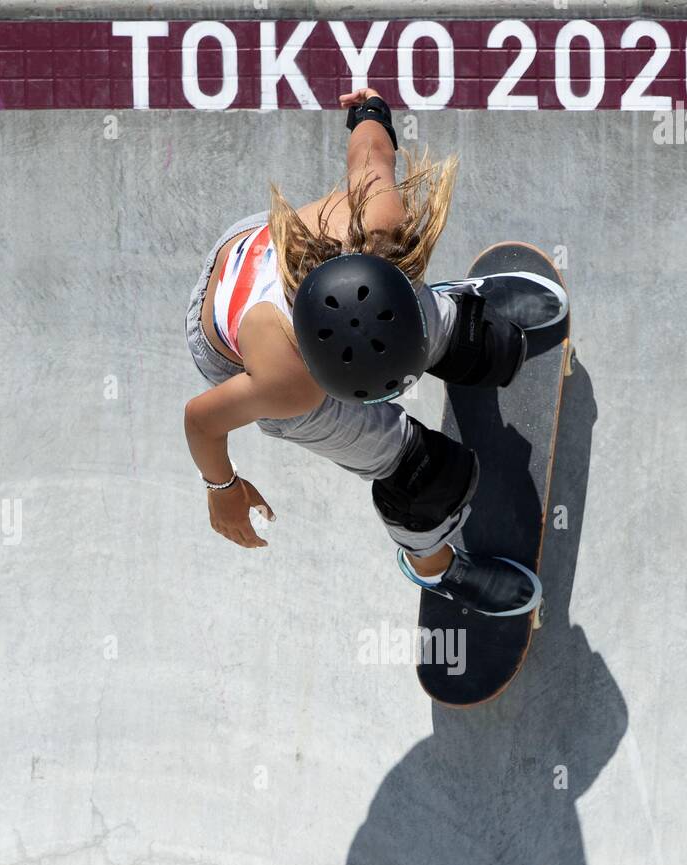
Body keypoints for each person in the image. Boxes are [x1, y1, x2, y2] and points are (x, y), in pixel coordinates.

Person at [184, 89, 568, 616]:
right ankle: (434, 566)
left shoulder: (378, 218)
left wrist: (368, 109)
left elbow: (369, 151)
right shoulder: (284, 383)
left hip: (275, 251)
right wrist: (220, 487)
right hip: (234, 339)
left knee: (456, 329)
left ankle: (456, 317)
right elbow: (201, 420)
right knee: (418, 476)